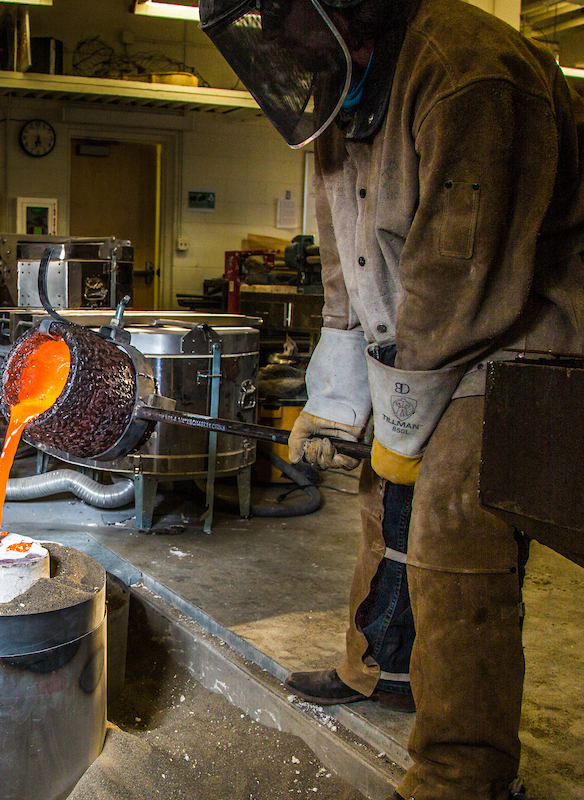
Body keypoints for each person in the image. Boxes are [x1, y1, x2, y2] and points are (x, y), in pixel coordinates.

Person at [199, 1, 584, 798]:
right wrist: (336, 403)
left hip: (523, 329)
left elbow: (462, 273)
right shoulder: (335, 97)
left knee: (452, 518)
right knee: (380, 495)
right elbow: (345, 267)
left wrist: (404, 427)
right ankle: (383, 668)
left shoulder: (468, 73)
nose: (278, 48)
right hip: (423, 328)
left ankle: (462, 768)